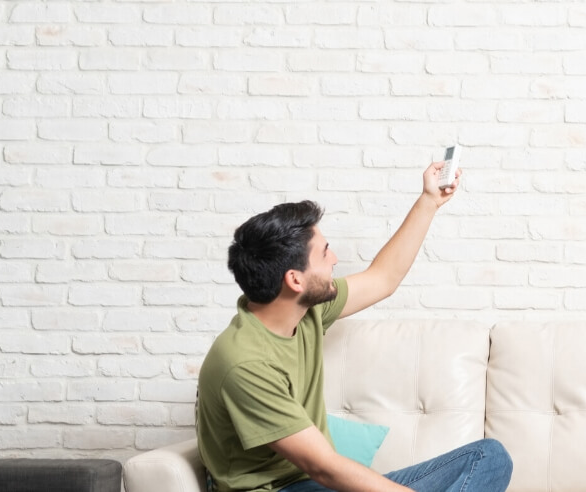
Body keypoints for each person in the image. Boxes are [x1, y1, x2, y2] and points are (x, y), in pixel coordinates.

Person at [196, 162, 512, 492]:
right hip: (280, 489)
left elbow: (383, 278)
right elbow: (323, 466)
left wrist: (429, 200)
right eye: (325, 253)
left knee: (487, 456)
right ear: (294, 280)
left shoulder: (306, 311)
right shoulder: (244, 364)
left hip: (315, 484)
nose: (334, 259)